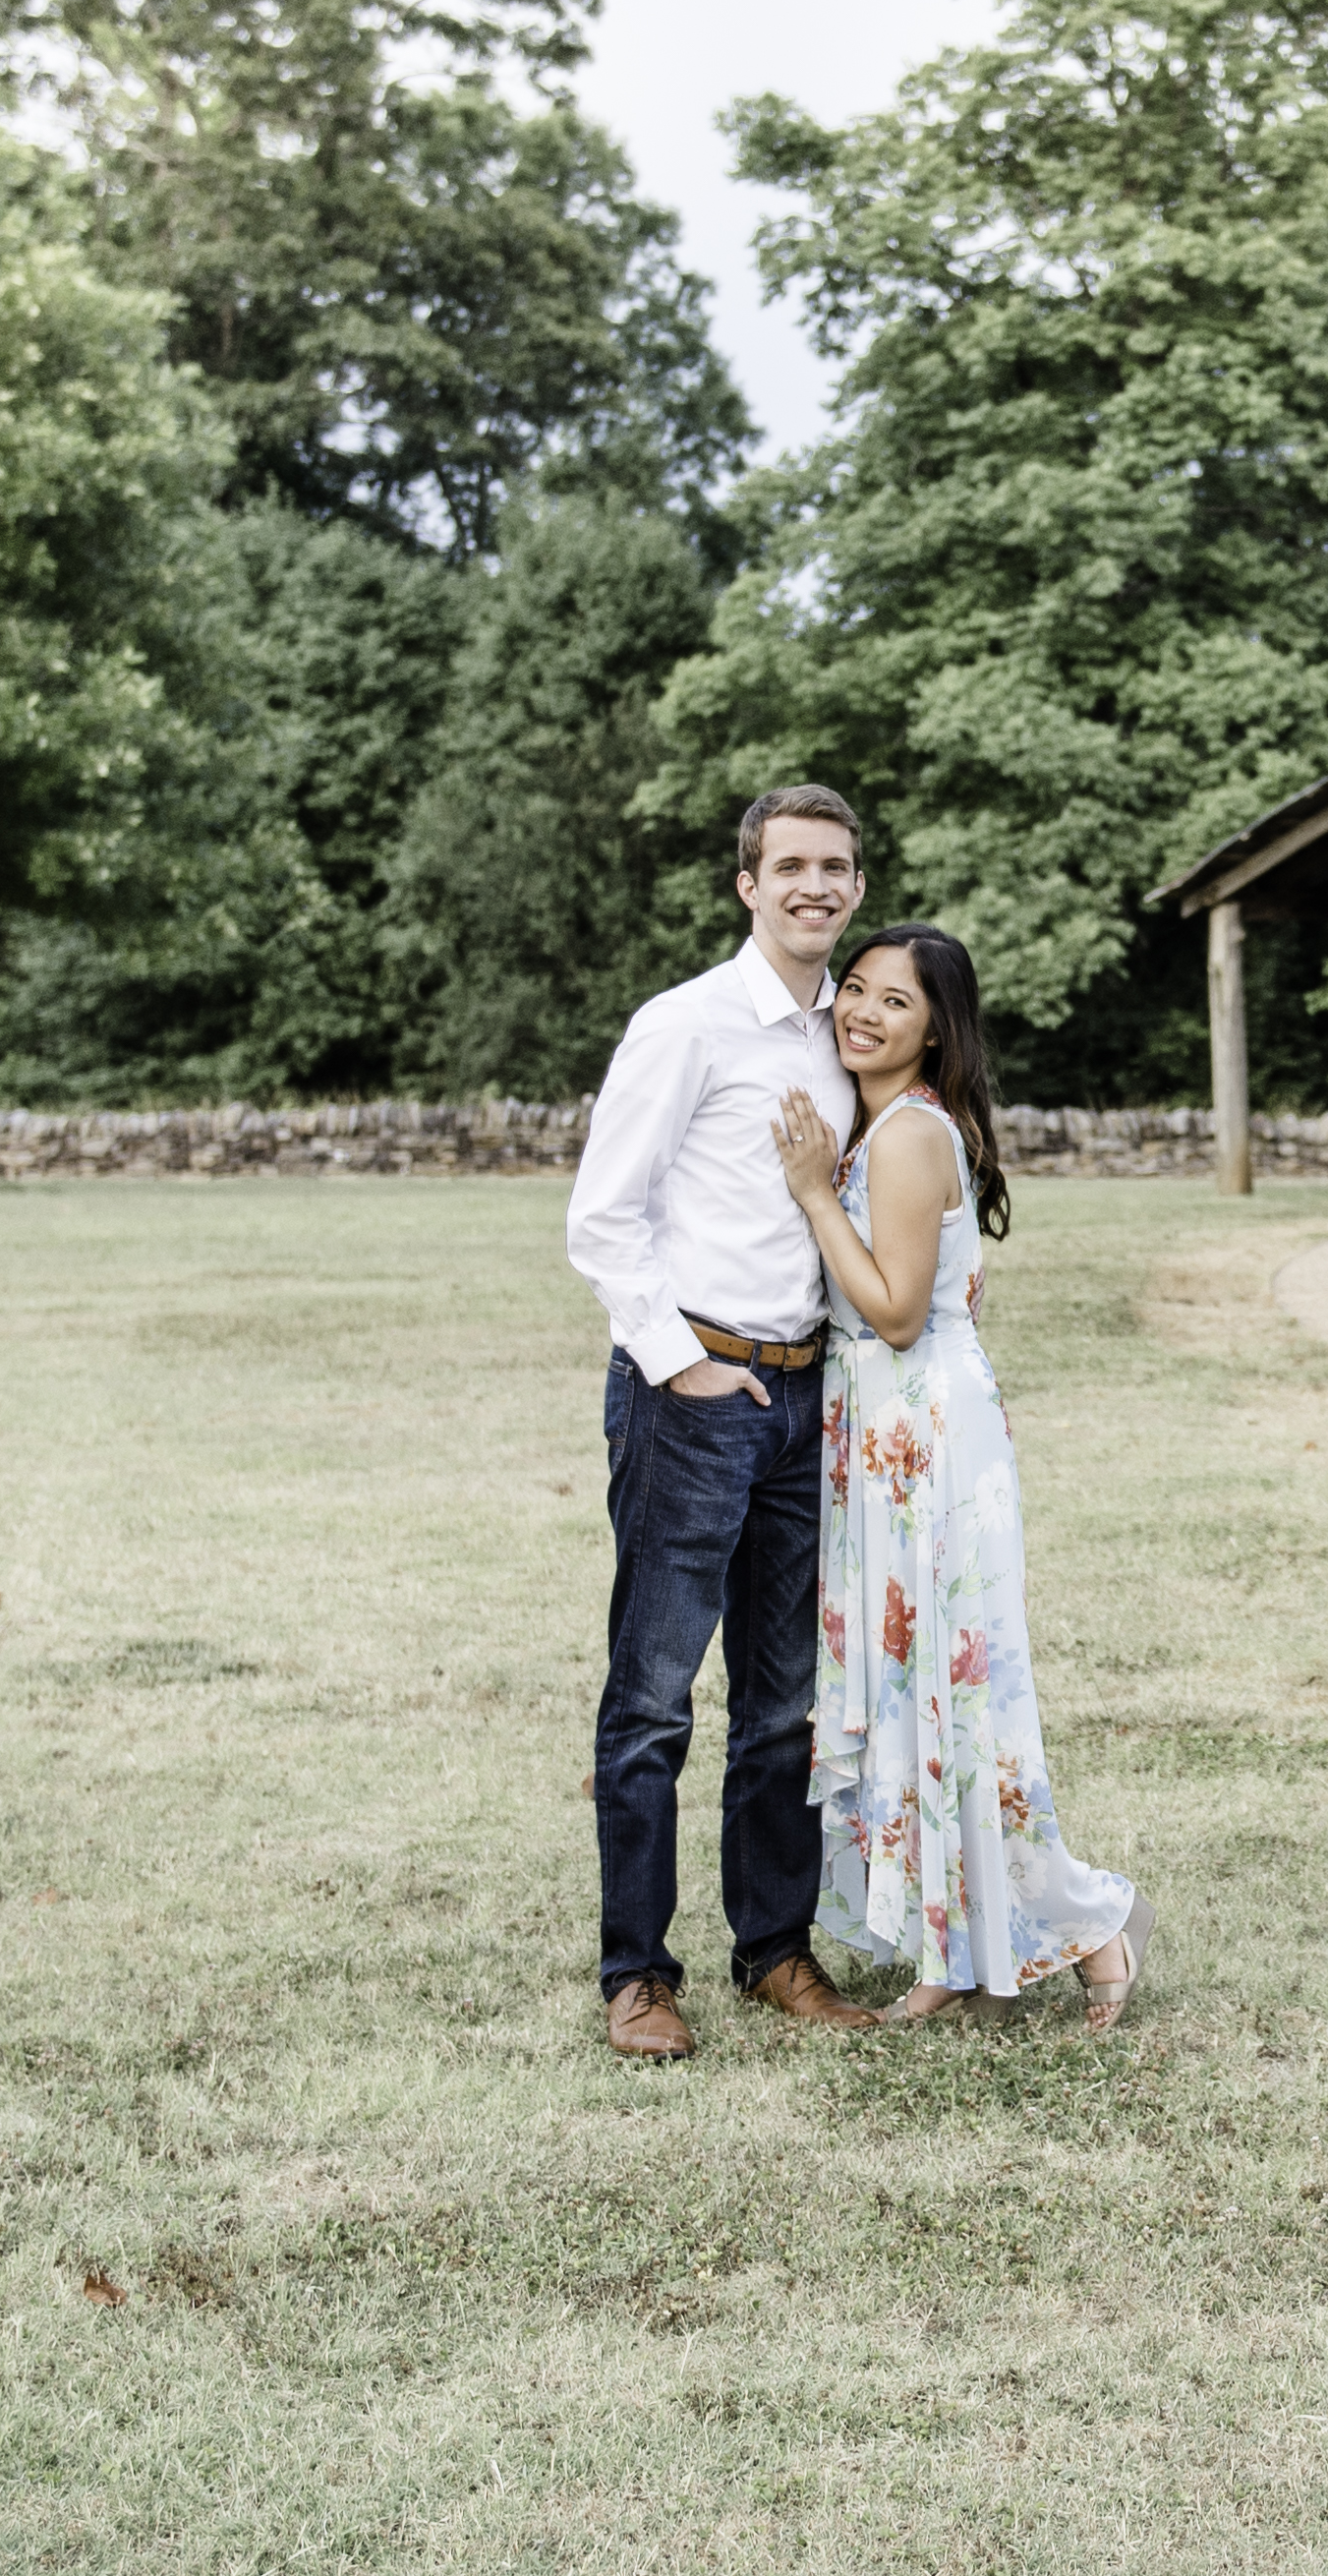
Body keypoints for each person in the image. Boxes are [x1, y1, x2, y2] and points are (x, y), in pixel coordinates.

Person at [767, 922, 1154, 2029]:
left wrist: (809, 1195)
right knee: (916, 1696)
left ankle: (1091, 1924)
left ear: (936, 1029)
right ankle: (944, 1948)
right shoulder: (888, 1123)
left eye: (897, 1000)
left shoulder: (902, 1137)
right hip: (896, 1434)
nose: (864, 1010)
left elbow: (891, 1311)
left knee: (956, 1697)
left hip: (924, 1437)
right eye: (857, 989)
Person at [560, 787, 885, 2059]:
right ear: (747, 881)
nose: (817, 884)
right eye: (792, 864)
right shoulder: (685, 1024)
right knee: (652, 1697)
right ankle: (637, 1975)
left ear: (857, 885)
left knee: (783, 1704)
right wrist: (677, 1363)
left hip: (806, 1395)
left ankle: (777, 1951)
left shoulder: (845, 1035)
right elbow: (603, 1214)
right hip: (695, 1393)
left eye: (838, 866)